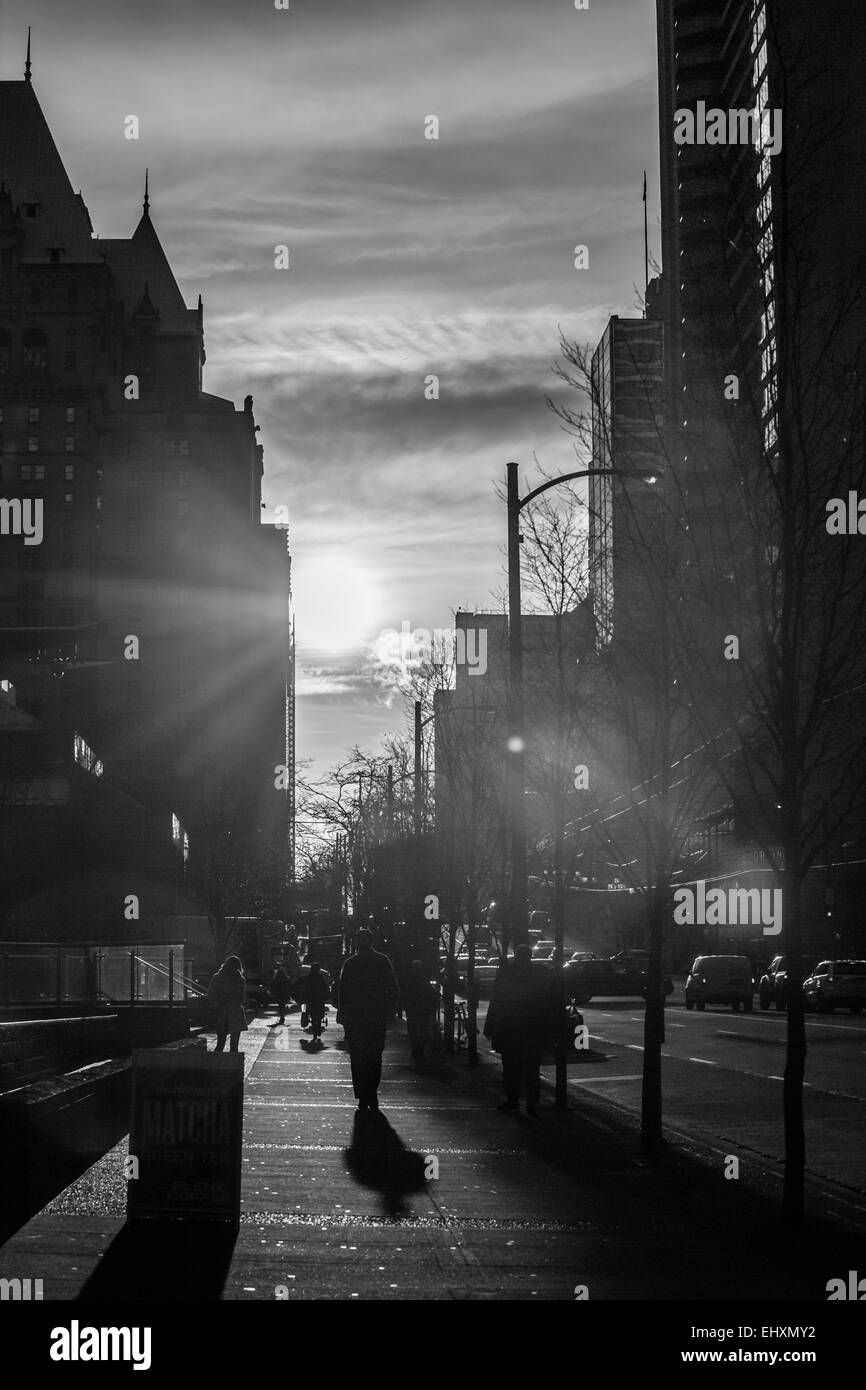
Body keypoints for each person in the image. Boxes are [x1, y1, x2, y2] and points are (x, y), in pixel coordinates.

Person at [483, 944, 566, 1115]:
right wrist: (554, 1028)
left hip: (510, 1029)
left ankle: (514, 1100)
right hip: (533, 1030)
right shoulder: (541, 974)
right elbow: (552, 1002)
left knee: (511, 1068)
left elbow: (496, 1001)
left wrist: (490, 1026)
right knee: (531, 1070)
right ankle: (531, 1103)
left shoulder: (507, 974)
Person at [338, 929, 399, 1109]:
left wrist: (344, 1013)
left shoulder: (350, 963)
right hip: (376, 1015)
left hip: (356, 1018)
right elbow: (393, 987)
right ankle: (371, 1092)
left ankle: (362, 1094)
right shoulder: (382, 961)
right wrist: (390, 1008)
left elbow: (342, 991)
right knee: (374, 1055)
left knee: (357, 1057)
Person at [208, 955, 248, 1053]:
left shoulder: (217, 977)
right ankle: (233, 1065)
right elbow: (242, 998)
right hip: (235, 1012)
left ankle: (215, 1064)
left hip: (222, 1011)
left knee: (220, 1043)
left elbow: (211, 994)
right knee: (234, 1046)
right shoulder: (240, 979)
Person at [401, 960, 437, 1060]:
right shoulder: (423, 979)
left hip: (413, 1007)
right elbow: (428, 991)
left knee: (413, 1029)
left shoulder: (409, 979)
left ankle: (415, 1048)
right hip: (421, 1007)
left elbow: (405, 992)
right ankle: (419, 1048)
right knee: (422, 1029)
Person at [292, 959, 331, 1040]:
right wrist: (325, 994)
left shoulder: (308, 978)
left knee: (312, 1014)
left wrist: (302, 996)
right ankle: (318, 1028)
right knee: (319, 1014)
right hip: (318, 999)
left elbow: (303, 987)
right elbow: (325, 987)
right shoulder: (320, 978)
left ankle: (315, 1030)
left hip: (310, 999)